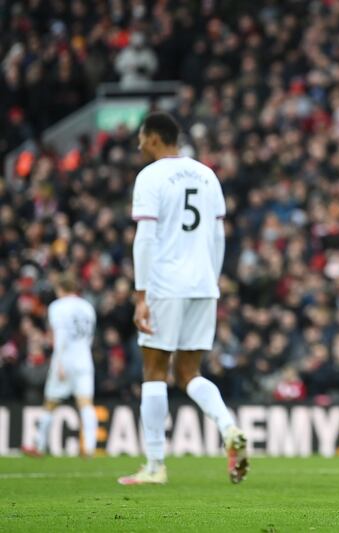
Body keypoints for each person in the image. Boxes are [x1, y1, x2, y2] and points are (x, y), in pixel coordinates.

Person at [118, 112, 248, 485]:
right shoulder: (208, 175)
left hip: (165, 285)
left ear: (155, 137)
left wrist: (141, 294)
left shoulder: (150, 176)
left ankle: (155, 465)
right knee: (189, 373)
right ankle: (228, 426)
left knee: (155, 372)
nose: (139, 144)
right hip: (203, 284)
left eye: (141, 137)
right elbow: (218, 236)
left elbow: (144, 238)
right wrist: (214, 279)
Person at [22, 273, 98, 458]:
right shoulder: (88, 306)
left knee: (50, 403)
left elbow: (61, 335)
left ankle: (39, 445)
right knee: (86, 403)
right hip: (84, 359)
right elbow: (90, 336)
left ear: (61, 289)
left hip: (65, 359)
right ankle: (90, 447)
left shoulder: (58, 307)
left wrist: (59, 363)